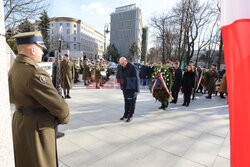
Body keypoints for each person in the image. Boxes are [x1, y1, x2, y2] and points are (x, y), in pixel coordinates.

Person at [8, 31, 70, 167]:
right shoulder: (35, 73)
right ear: (32, 49)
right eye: (41, 49)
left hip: (20, 122)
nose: (43, 53)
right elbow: (60, 107)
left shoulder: (14, 69)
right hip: (37, 128)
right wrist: (65, 117)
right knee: (42, 162)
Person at [118, 57, 140, 122]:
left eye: (122, 63)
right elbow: (120, 76)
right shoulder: (121, 67)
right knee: (126, 102)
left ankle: (130, 116)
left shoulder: (132, 67)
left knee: (132, 103)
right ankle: (125, 115)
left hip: (132, 88)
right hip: (125, 88)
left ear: (126, 61)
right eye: (120, 63)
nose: (121, 64)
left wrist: (136, 90)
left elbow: (137, 78)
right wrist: (121, 85)